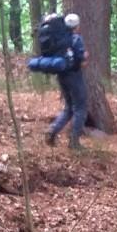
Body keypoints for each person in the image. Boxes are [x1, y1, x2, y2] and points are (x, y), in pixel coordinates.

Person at [45, 12, 88, 150]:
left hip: (61, 76)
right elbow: (81, 62)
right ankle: (74, 141)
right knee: (80, 108)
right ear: (77, 26)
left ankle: (52, 130)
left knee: (69, 108)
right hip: (74, 77)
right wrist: (85, 57)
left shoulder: (59, 39)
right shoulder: (76, 39)